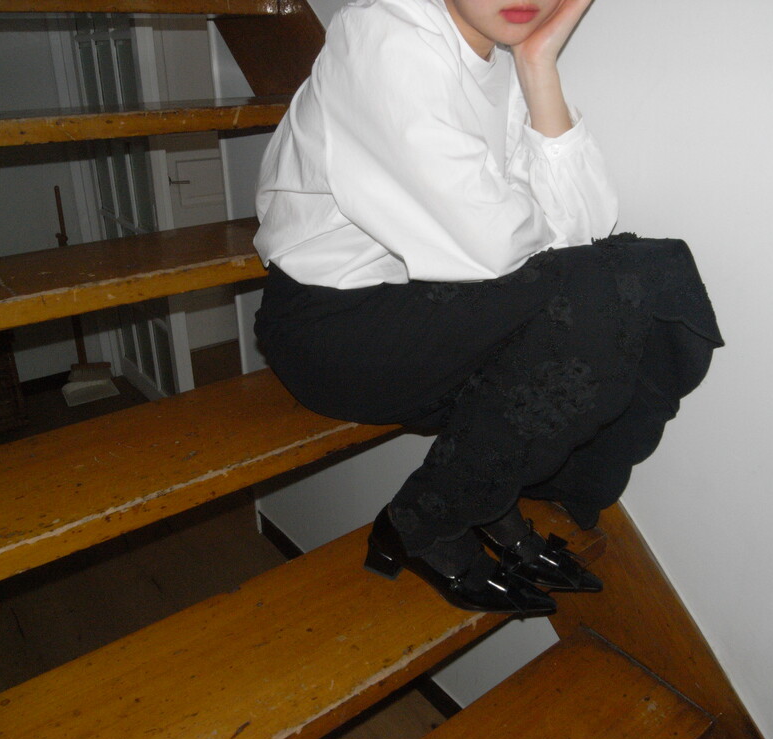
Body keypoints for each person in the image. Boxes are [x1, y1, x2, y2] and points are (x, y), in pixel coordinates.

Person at [254, 0, 722, 615]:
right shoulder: (385, 37)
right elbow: (496, 245)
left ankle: (483, 495)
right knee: (618, 283)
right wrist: (546, 235)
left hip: (423, 307)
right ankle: (424, 522)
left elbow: (583, 227)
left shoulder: (496, 59)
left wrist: (537, 63)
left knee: (647, 272)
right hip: (336, 331)